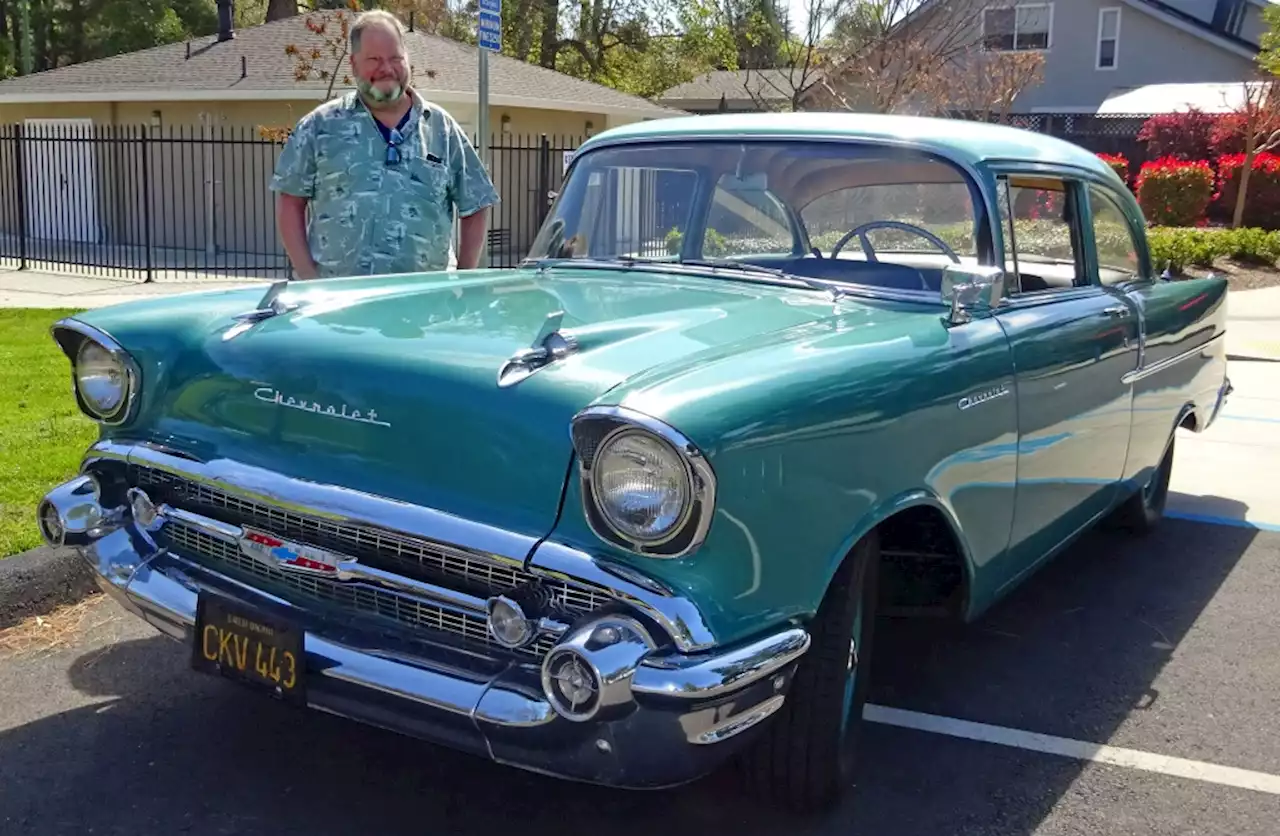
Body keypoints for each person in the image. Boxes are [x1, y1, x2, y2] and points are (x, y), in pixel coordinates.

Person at [269, 9, 499, 280]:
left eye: (395, 58)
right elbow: (290, 202)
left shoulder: (441, 128)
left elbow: (477, 202)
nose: (386, 68)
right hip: (338, 309)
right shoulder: (319, 127)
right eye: (374, 59)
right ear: (354, 65)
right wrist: (309, 279)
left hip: (425, 308)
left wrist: (463, 278)